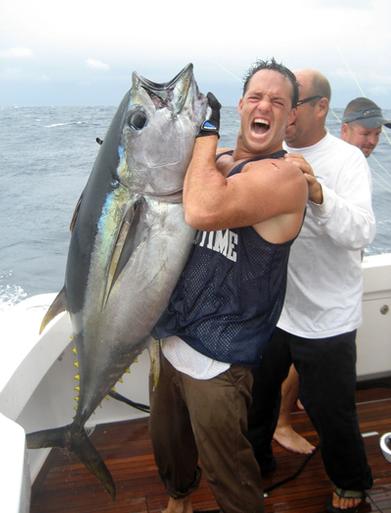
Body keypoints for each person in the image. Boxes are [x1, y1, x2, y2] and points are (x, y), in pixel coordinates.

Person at [149, 58, 308, 513]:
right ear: (241, 104)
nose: (265, 106)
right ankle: (178, 500)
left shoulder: (286, 177)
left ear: (291, 117)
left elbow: (202, 210)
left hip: (219, 362)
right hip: (171, 339)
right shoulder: (221, 163)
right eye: (256, 97)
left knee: (229, 474)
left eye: (279, 101)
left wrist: (205, 132)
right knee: (168, 444)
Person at [247, 69, 376, 513]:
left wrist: (318, 194)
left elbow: (361, 231)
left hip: (327, 318)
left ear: (321, 107)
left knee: (332, 413)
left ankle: (352, 483)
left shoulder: (346, 160)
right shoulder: (267, 154)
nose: (282, 108)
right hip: (275, 310)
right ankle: (257, 464)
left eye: (292, 101)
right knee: (257, 402)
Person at [273, 95, 391, 456]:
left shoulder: (354, 162)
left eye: (376, 134)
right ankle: (280, 422)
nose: (371, 141)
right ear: (343, 129)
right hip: (304, 303)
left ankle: (294, 411)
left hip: (332, 292)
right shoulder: (339, 159)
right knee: (296, 366)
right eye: (364, 132)